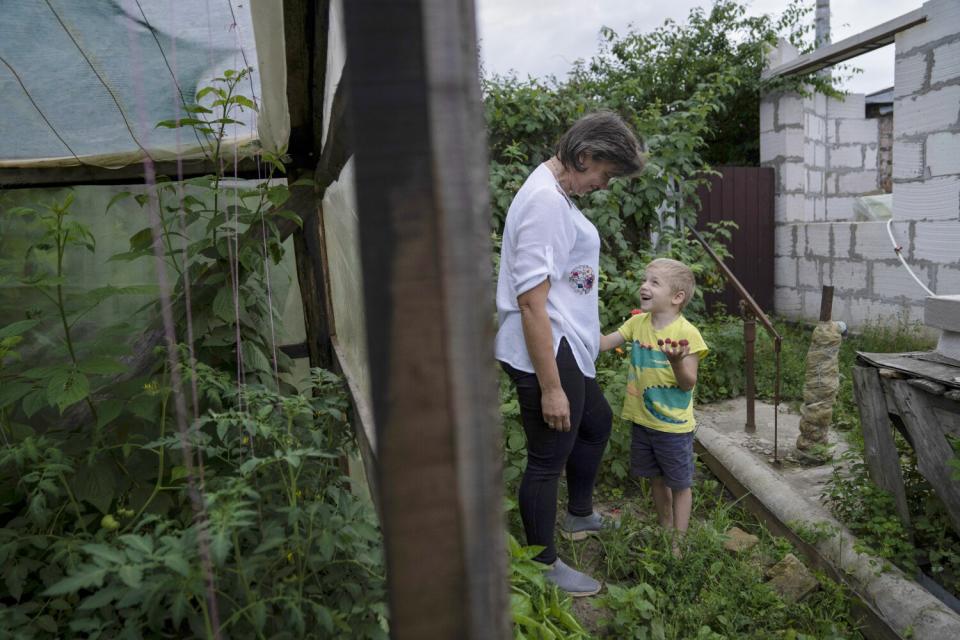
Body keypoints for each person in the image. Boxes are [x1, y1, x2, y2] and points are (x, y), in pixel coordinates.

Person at [495, 111, 645, 597]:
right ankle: (542, 565)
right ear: (585, 156)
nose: (605, 185)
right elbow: (530, 301)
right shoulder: (544, 200)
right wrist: (551, 388)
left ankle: (579, 516)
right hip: (546, 347)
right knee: (547, 458)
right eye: (605, 173)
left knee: (596, 423)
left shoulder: (555, 193)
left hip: (567, 342)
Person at [599, 258, 708, 556]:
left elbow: (688, 383)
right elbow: (603, 343)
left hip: (672, 427)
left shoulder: (688, 334)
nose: (644, 286)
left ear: (676, 297)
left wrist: (675, 361)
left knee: (680, 483)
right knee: (657, 479)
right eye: (645, 280)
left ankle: (679, 541)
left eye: (654, 282)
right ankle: (664, 526)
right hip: (643, 421)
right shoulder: (638, 323)